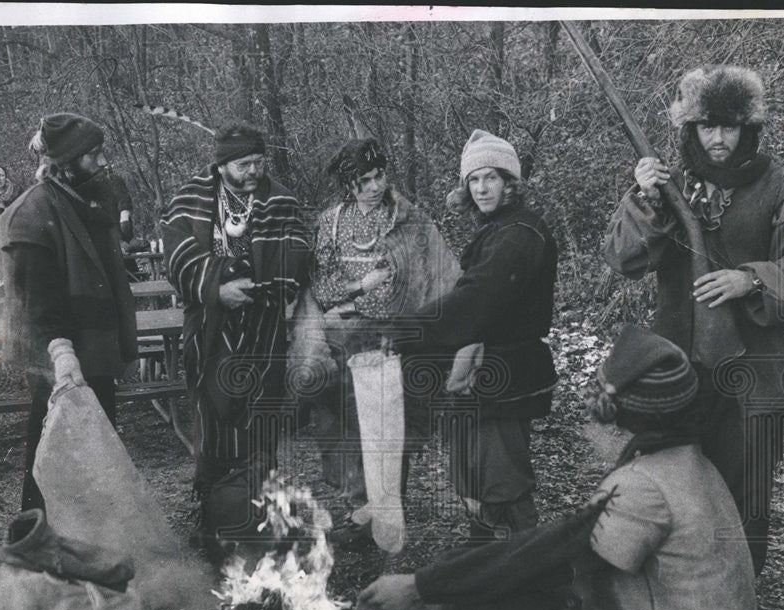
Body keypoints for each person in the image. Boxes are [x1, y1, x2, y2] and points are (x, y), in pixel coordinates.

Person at [361, 325, 759, 610]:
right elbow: (566, 545)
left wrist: (422, 585)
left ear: (620, 418)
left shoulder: (646, 486)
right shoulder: (691, 463)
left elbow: (547, 555)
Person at [603, 66, 784, 575]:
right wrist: (643, 197)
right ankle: (676, 601)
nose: (718, 138)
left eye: (729, 127)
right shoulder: (666, 185)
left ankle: (738, 609)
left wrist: (748, 280)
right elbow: (621, 259)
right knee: (666, 486)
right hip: (676, 371)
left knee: (742, 497)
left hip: (753, 376)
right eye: (707, 126)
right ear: (691, 129)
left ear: (748, 129)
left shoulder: (782, 187)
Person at [392, 129, 558, 543]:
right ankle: (485, 559)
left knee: (502, 484)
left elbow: (476, 300)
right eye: (474, 179)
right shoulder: (498, 228)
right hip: (482, 371)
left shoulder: (519, 234)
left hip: (505, 373)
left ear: (510, 182)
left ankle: (530, 575)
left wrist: (406, 331)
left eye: (492, 177)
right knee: (475, 480)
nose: (482, 188)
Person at [303, 138, 459, 547]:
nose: (374, 186)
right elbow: (321, 285)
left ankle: (390, 511)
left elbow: (439, 278)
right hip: (346, 340)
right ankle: (359, 511)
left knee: (392, 429)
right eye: (363, 181)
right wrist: (360, 284)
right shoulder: (332, 222)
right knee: (350, 429)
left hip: (397, 338)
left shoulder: (410, 220)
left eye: (379, 176)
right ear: (349, 186)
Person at [160, 122, 312, 540]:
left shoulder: (279, 200)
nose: (253, 171)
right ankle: (216, 519)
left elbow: (298, 253)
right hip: (209, 329)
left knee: (260, 419)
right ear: (222, 164)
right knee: (214, 418)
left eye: (259, 162)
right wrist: (218, 286)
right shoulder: (191, 198)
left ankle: (263, 516)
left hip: (263, 328)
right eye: (244, 164)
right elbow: (177, 256)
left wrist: (265, 284)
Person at [1, 113, 138, 512]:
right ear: (66, 160)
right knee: (51, 448)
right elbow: (37, 300)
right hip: (57, 356)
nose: (101, 162)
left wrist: (121, 348)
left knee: (100, 448)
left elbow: (111, 280)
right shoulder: (33, 212)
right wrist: (63, 357)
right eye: (92, 155)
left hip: (96, 350)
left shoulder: (90, 200)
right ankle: (39, 533)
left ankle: (97, 538)